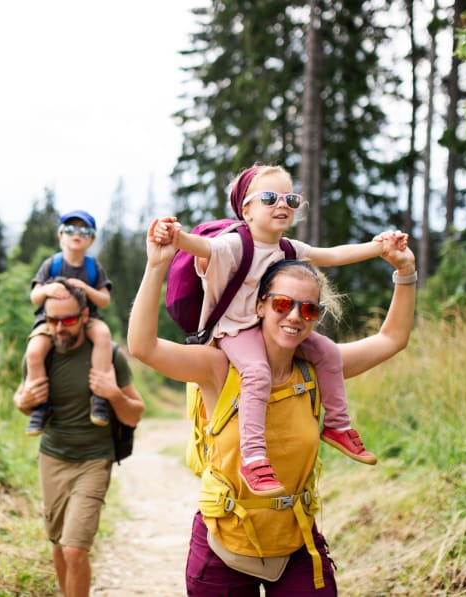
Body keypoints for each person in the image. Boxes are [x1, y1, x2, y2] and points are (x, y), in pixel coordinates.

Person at [128, 218, 416, 595]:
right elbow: (142, 347)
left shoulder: (318, 370)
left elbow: (392, 338)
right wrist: (156, 265)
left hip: (297, 544)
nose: (295, 316)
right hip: (223, 546)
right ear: (260, 306)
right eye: (282, 304)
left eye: (309, 310)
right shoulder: (219, 367)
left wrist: (406, 272)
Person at [153, 164, 408, 496]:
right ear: (246, 209)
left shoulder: (287, 249)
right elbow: (202, 248)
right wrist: (174, 237)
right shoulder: (234, 244)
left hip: (266, 327)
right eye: (270, 198)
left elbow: (330, 256)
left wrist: (379, 248)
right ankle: (254, 457)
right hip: (234, 332)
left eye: (291, 198)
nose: (282, 204)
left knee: (328, 351)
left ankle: (337, 426)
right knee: (257, 372)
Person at [14, 278, 145, 597]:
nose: (59, 328)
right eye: (52, 320)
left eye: (68, 320)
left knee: (74, 549)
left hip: (93, 462)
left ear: (85, 316)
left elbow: (135, 413)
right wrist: (23, 401)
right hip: (52, 459)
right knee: (58, 546)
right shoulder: (40, 354)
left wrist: (113, 395)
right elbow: (22, 401)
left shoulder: (110, 356)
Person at [25, 209, 115, 435]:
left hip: (88, 317)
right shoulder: (51, 265)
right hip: (52, 320)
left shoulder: (93, 267)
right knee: (35, 352)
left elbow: (104, 300)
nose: (77, 234)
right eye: (70, 229)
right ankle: (40, 405)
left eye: (84, 231)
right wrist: (47, 288)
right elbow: (34, 297)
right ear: (60, 236)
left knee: (103, 336)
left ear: (92, 239)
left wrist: (85, 289)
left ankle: (99, 397)